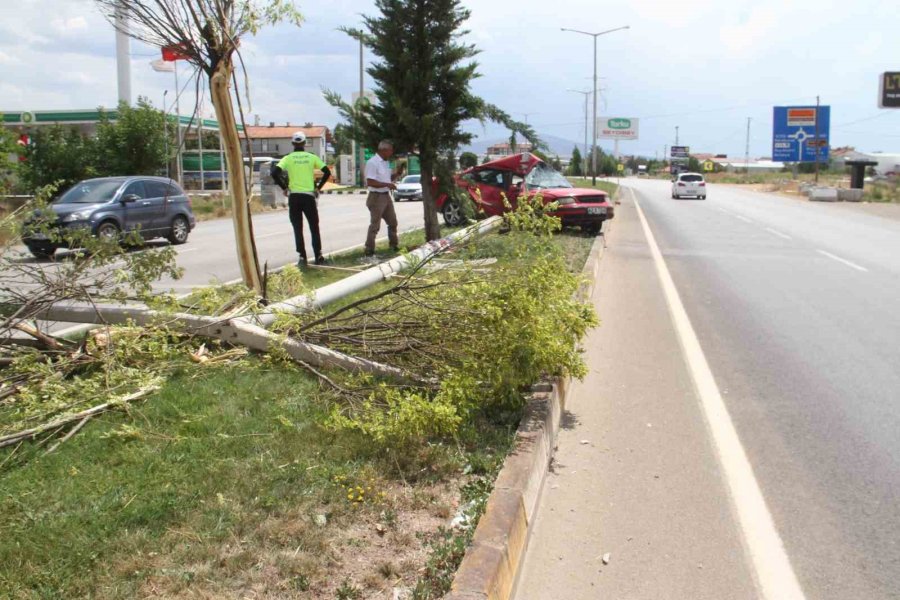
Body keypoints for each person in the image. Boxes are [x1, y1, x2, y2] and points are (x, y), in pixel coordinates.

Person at [271, 131, 331, 266]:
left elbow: (274, 173)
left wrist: (284, 187)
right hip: (309, 197)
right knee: (314, 226)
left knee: (297, 227)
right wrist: (318, 187)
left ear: (293, 143)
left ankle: (302, 257)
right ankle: (318, 256)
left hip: (294, 197)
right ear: (304, 143)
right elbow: (327, 172)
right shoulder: (311, 157)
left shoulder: (288, 158)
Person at [363, 140, 404, 257]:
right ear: (383, 150)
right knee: (375, 225)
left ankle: (393, 245)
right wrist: (387, 185)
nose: (391, 153)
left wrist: (397, 174)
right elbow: (370, 182)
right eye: (390, 150)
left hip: (386, 196)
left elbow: (387, 179)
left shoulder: (385, 163)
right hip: (376, 197)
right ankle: (369, 249)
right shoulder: (373, 162)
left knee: (393, 222)